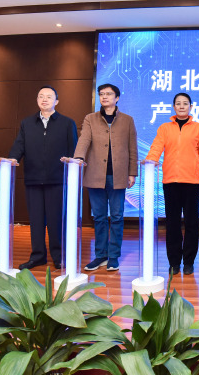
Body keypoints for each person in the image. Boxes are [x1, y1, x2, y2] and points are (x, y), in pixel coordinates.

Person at [8, 86, 77, 270]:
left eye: (49, 97)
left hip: (57, 179)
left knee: (56, 221)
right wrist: (12, 159)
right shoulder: (27, 123)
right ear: (37, 100)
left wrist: (73, 166)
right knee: (36, 220)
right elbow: (19, 145)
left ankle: (59, 256)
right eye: (41, 96)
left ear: (57, 101)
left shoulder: (67, 123)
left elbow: (74, 150)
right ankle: (38, 256)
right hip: (33, 179)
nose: (44, 99)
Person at [73, 83, 138, 272]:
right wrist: (78, 158)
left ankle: (114, 256)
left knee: (117, 217)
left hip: (118, 175)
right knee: (99, 217)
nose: (104, 97)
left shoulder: (127, 120)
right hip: (95, 174)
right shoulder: (90, 119)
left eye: (109, 94)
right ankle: (100, 255)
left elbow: (132, 147)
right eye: (101, 94)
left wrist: (132, 172)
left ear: (117, 98)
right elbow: (84, 139)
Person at [145, 92, 199, 275]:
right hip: (171, 181)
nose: (182, 106)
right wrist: (150, 160)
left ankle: (189, 261)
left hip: (192, 182)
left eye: (185, 103)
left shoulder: (198, 128)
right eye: (178, 103)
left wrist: (195, 167)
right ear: (174, 107)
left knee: (191, 223)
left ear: (191, 107)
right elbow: (156, 147)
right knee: (172, 223)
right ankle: (174, 262)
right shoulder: (165, 128)